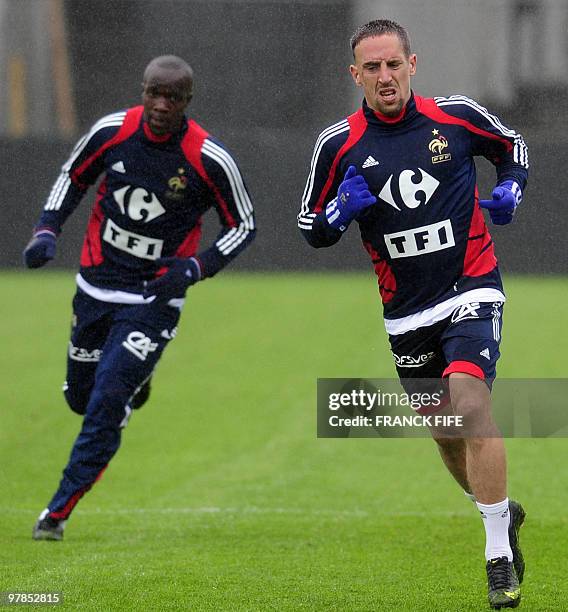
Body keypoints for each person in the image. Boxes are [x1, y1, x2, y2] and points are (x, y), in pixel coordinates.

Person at [298, 19, 528, 610]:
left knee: (470, 401)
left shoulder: (455, 117)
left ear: (412, 65)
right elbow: (310, 229)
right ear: (356, 76)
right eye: (371, 68)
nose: (384, 77)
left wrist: (510, 190)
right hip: (405, 311)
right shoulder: (338, 144)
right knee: (446, 430)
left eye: (392, 64)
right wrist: (338, 213)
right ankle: (502, 511)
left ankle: (497, 552)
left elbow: (512, 149)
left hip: (471, 285)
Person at [24, 55, 256, 541]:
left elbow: (244, 225)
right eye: (153, 92)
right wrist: (47, 229)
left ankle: (57, 513)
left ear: (187, 102)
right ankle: (136, 384)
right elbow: (73, 176)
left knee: (107, 400)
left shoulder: (208, 158)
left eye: (172, 97)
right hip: (94, 286)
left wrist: (193, 269)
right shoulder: (113, 130)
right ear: (143, 90)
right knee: (80, 398)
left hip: (153, 300)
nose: (160, 104)